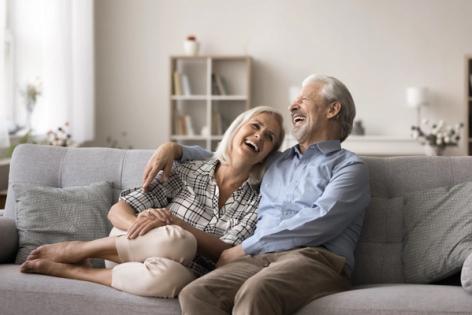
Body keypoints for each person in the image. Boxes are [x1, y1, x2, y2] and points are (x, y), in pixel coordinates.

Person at [143, 74, 371, 314]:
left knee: (257, 289)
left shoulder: (349, 167)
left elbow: (321, 220)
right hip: (260, 258)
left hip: (317, 260)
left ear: (333, 109)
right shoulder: (276, 162)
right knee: (197, 293)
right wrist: (175, 149)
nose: (293, 105)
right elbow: (230, 156)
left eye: (303, 99)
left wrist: (246, 247)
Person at [20, 106, 285, 298]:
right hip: (129, 248)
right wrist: (141, 228)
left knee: (176, 278)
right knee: (175, 240)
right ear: (237, 129)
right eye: (255, 125)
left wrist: (174, 221)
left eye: (270, 137)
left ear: (267, 155)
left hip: (174, 270)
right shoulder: (189, 170)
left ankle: (75, 272)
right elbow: (118, 210)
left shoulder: (260, 201)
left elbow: (225, 251)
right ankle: (81, 249)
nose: (260, 136)